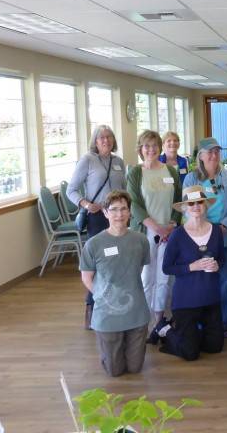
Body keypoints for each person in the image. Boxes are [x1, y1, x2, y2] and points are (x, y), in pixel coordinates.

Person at [80, 190, 150, 377]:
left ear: (129, 212)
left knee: (135, 368)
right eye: (114, 209)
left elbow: (139, 269)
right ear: (105, 212)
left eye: (124, 209)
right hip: (107, 315)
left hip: (137, 312)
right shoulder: (94, 244)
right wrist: (104, 296)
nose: (119, 214)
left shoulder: (141, 241)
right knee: (115, 371)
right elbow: (87, 278)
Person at [68, 124, 127, 329]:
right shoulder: (88, 160)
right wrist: (85, 204)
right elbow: (71, 190)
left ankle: (117, 304)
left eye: (109, 137)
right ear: (95, 141)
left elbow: (125, 189)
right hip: (97, 217)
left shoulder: (118, 162)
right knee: (100, 263)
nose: (105, 140)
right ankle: (92, 307)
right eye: (101, 137)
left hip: (118, 217)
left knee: (118, 260)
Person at [156, 186, 224, 361]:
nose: (195, 206)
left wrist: (217, 265)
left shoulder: (216, 231)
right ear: (185, 208)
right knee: (191, 353)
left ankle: (190, 333)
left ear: (205, 205)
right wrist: (191, 267)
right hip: (186, 301)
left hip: (210, 299)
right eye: (191, 203)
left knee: (215, 347)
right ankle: (165, 329)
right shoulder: (177, 235)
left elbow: (222, 259)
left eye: (199, 202)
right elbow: (167, 267)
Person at [127, 130, 182, 331]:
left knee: (164, 276)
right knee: (146, 275)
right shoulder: (135, 172)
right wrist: (157, 228)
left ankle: (159, 318)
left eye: (154, 145)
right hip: (146, 231)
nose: (150, 149)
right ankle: (145, 319)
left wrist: (171, 226)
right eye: (146, 146)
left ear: (160, 147)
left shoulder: (171, 171)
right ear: (141, 149)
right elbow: (134, 204)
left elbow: (178, 201)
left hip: (169, 232)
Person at [182, 137, 227, 337]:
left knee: (223, 281)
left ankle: (222, 323)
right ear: (201, 156)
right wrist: (205, 228)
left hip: (224, 234)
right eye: (209, 152)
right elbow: (187, 207)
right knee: (201, 280)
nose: (214, 155)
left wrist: (224, 225)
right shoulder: (192, 179)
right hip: (200, 235)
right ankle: (200, 322)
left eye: (217, 151)